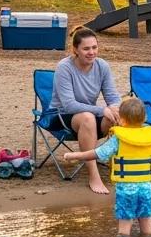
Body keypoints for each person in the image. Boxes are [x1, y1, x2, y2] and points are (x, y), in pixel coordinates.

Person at [62, 96, 151, 237]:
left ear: (122, 119)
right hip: (146, 188)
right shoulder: (150, 138)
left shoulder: (118, 139)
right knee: (147, 226)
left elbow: (97, 153)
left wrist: (74, 155)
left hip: (126, 190)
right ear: (144, 118)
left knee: (124, 229)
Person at [49, 26, 122, 194]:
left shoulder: (102, 66)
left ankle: (125, 166)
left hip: (89, 116)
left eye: (94, 47)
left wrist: (114, 108)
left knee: (116, 114)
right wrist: (102, 109)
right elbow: (69, 105)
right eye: (86, 48)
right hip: (62, 117)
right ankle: (93, 175)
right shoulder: (64, 67)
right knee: (89, 117)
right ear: (75, 49)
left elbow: (112, 96)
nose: (91, 52)